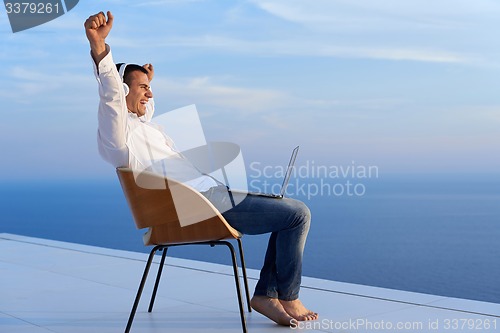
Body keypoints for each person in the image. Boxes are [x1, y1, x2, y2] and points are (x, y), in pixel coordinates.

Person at [85, 11, 318, 325]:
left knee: (287, 208)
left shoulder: (144, 128)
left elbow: (143, 109)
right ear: (123, 91)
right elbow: (112, 96)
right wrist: (100, 48)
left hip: (207, 198)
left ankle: (269, 293)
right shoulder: (118, 138)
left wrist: (146, 84)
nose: (148, 94)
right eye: (140, 88)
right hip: (196, 207)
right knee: (297, 214)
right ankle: (282, 295)